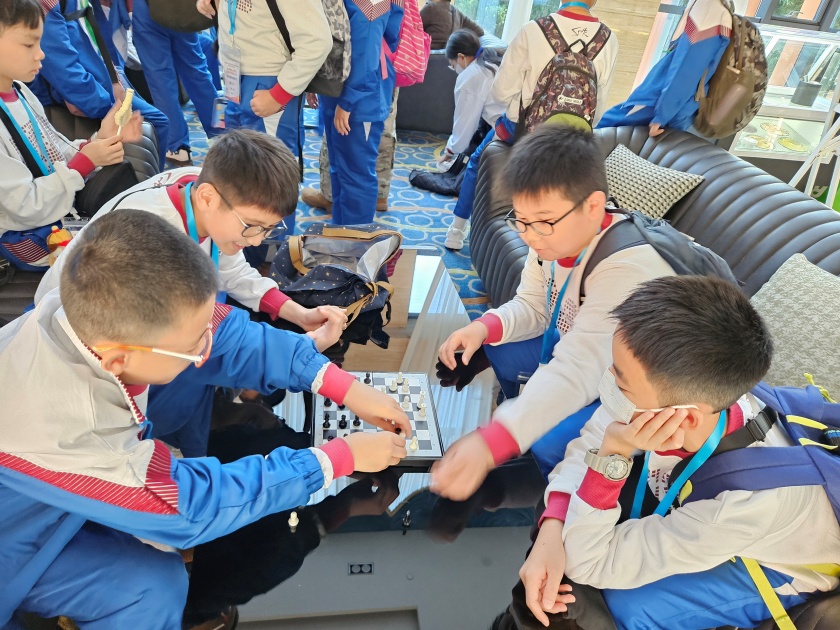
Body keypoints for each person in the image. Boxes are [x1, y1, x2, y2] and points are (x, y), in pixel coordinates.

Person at [0, 209, 409, 626]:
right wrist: (336, 458)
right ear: (119, 359)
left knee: (154, 587)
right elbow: (191, 506)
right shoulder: (72, 429)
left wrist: (342, 386)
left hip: (49, 507)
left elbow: (226, 333)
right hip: (13, 545)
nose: (206, 348)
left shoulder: (93, 308)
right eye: (192, 345)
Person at [519, 276, 840, 629]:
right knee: (554, 448)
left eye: (620, 381)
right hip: (715, 495)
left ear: (683, 417)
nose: (608, 383)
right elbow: (590, 439)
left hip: (782, 563)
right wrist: (551, 528)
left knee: (627, 608)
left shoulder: (740, 507)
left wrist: (614, 453)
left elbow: (590, 563)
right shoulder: (688, 398)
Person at [35, 130, 350, 456]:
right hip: (93, 354)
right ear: (208, 198)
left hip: (148, 337)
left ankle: (195, 426)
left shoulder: (200, 188)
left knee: (203, 367)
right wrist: (294, 351)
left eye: (268, 229)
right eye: (252, 226)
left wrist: (299, 314)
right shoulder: (152, 240)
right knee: (177, 390)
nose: (257, 240)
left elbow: (233, 271)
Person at [431, 126, 674, 501]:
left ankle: (565, 499)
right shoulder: (551, 235)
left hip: (646, 387)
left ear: (593, 206)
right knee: (496, 349)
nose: (529, 236)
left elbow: (580, 368)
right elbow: (533, 304)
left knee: (548, 444)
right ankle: (533, 421)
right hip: (590, 351)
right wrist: (483, 327)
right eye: (520, 220)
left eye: (542, 221)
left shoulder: (628, 268)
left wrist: (495, 441)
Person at [444, 0, 618, 251]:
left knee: (476, 161)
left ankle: (456, 230)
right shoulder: (609, 40)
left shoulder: (533, 29)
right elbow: (597, 110)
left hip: (524, 130)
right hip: (574, 138)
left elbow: (501, 93)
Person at [0, 0, 142, 271]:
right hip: (22, 235)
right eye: (29, 45)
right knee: (121, 262)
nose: (40, 54)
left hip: (54, 214)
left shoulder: (20, 91)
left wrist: (99, 140)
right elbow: (26, 206)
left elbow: (53, 151)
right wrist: (84, 163)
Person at [197, 0, 329, 232]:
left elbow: (318, 41)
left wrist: (280, 94)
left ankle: (272, 245)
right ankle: (243, 239)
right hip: (235, 75)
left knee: (270, 175)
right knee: (239, 166)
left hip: (271, 81)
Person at [29, 0, 169, 165]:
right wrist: (111, 107)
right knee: (156, 122)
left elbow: (94, 34)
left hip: (98, 78)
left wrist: (114, 78)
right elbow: (61, 68)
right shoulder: (45, 6)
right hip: (79, 90)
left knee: (156, 121)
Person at [318, 0, 403, 225]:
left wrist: (348, 101)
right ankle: (342, 232)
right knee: (340, 170)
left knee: (356, 176)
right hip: (338, 91)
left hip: (358, 101)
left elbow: (367, 54)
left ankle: (356, 239)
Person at [597, 0, 732, 137]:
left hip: (657, 102)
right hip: (672, 105)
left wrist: (661, 116)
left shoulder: (708, 8)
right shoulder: (719, 8)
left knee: (599, 131)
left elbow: (686, 71)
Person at [129, 0, 223, 165]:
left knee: (161, 80)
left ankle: (177, 147)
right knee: (198, 72)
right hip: (181, 8)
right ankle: (222, 132)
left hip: (146, 9)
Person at [439, 30, 503, 246]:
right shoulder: (493, 62)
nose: (455, 69)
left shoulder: (472, 75)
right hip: (529, 125)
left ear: (461, 58)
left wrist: (450, 151)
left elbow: (465, 124)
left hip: (506, 126)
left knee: (474, 166)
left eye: (452, 65)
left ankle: (456, 231)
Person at [300, 89, 398, 215]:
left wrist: (318, 84)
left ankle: (331, 195)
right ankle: (379, 194)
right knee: (383, 120)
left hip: (350, 90)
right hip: (386, 82)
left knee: (341, 126)